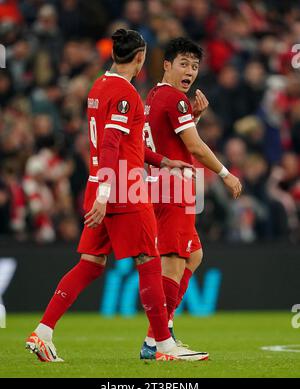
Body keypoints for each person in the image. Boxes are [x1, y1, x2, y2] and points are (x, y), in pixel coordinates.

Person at [25, 29, 209, 362]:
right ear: (140, 58)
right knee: (149, 261)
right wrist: (108, 193)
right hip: (123, 189)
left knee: (91, 264)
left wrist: (162, 160)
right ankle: (164, 345)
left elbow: (125, 144)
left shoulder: (98, 87)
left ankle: (43, 332)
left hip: (101, 183)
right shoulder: (127, 94)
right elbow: (111, 142)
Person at [140, 37, 242, 359]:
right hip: (172, 189)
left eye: (195, 66)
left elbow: (170, 141)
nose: (190, 71)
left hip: (158, 186)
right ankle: (160, 341)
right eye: (183, 63)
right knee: (173, 262)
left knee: (193, 256)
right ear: (167, 65)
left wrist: (194, 119)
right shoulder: (174, 98)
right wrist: (226, 174)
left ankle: (158, 333)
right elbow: (195, 147)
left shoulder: (155, 96)